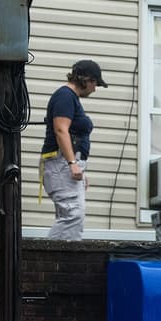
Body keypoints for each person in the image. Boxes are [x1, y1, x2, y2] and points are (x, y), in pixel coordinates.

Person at [41, 59, 107, 239]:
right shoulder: (65, 96)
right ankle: (49, 259)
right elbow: (61, 129)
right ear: (85, 79)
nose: (95, 89)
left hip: (66, 164)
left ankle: (60, 262)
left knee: (71, 218)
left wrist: (78, 167)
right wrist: (72, 163)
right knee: (72, 216)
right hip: (61, 163)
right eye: (95, 83)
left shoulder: (70, 98)